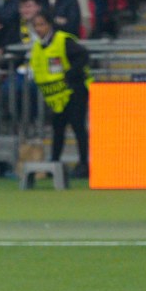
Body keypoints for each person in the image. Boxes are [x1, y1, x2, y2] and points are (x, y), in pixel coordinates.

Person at [29, 9, 91, 177]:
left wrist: (69, 74)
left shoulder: (62, 40)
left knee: (78, 126)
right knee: (58, 128)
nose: (38, 29)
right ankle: (55, 162)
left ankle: (84, 163)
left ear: (49, 25)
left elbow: (83, 55)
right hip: (57, 95)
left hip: (74, 89)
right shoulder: (37, 46)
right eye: (36, 26)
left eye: (41, 25)